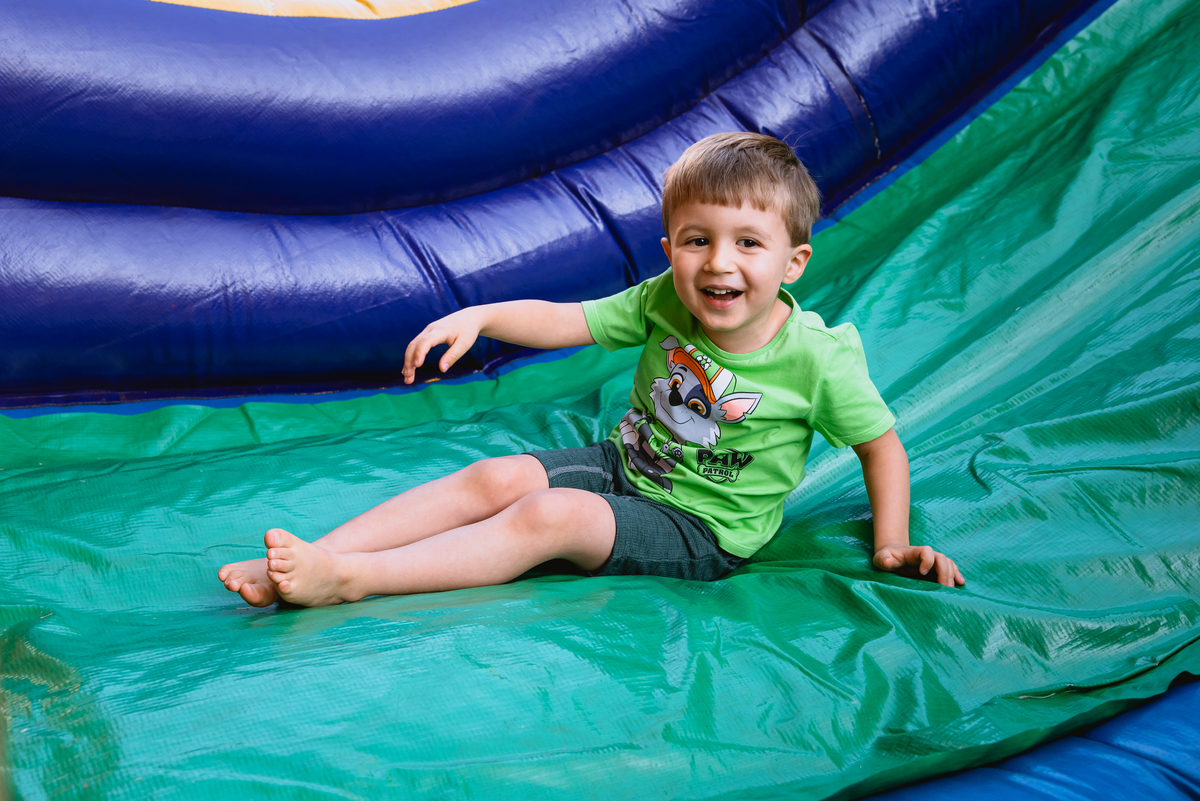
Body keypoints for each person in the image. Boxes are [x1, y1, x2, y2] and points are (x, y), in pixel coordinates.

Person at [218, 132, 965, 608]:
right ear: (670, 248)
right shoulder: (665, 299)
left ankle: (351, 580)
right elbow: (566, 319)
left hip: (703, 529)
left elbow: (880, 446)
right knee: (494, 478)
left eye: (748, 242)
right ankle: (325, 552)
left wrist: (889, 542)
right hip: (624, 463)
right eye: (697, 240)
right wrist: (481, 316)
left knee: (551, 516)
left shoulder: (816, 358)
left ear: (793, 261)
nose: (718, 262)